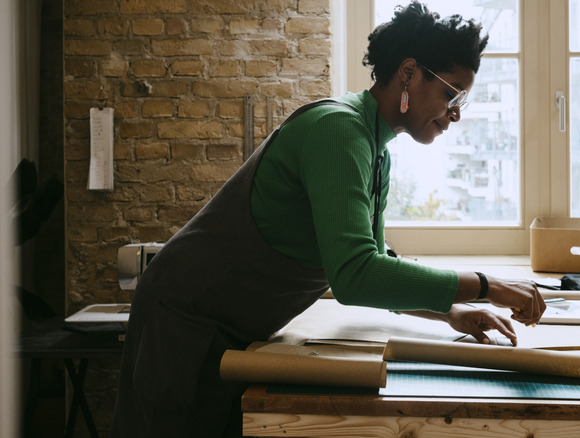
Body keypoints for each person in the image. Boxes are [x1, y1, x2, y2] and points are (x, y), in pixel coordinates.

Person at [111, 2, 546, 437]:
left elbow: (372, 264)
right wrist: (485, 286)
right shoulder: (339, 130)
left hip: (229, 327)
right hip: (185, 322)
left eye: (461, 100)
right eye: (451, 94)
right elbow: (355, 276)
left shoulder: (376, 152)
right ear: (410, 72)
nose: (455, 114)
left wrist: (450, 311)